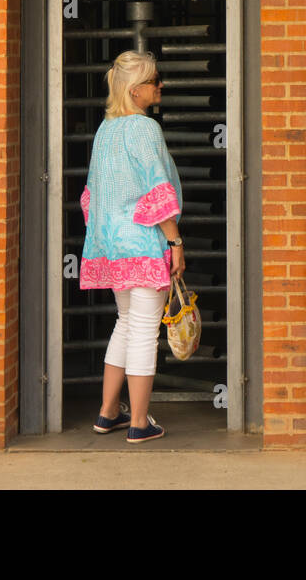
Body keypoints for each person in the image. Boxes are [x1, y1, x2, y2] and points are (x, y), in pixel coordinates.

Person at [79, 50, 187, 444]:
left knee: (125, 325)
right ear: (136, 89)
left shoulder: (106, 129)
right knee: (143, 331)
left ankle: (109, 413)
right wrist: (174, 241)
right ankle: (140, 422)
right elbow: (157, 190)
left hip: (111, 246)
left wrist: (108, 234)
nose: (161, 85)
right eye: (155, 79)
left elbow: (90, 197)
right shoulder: (143, 129)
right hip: (143, 243)